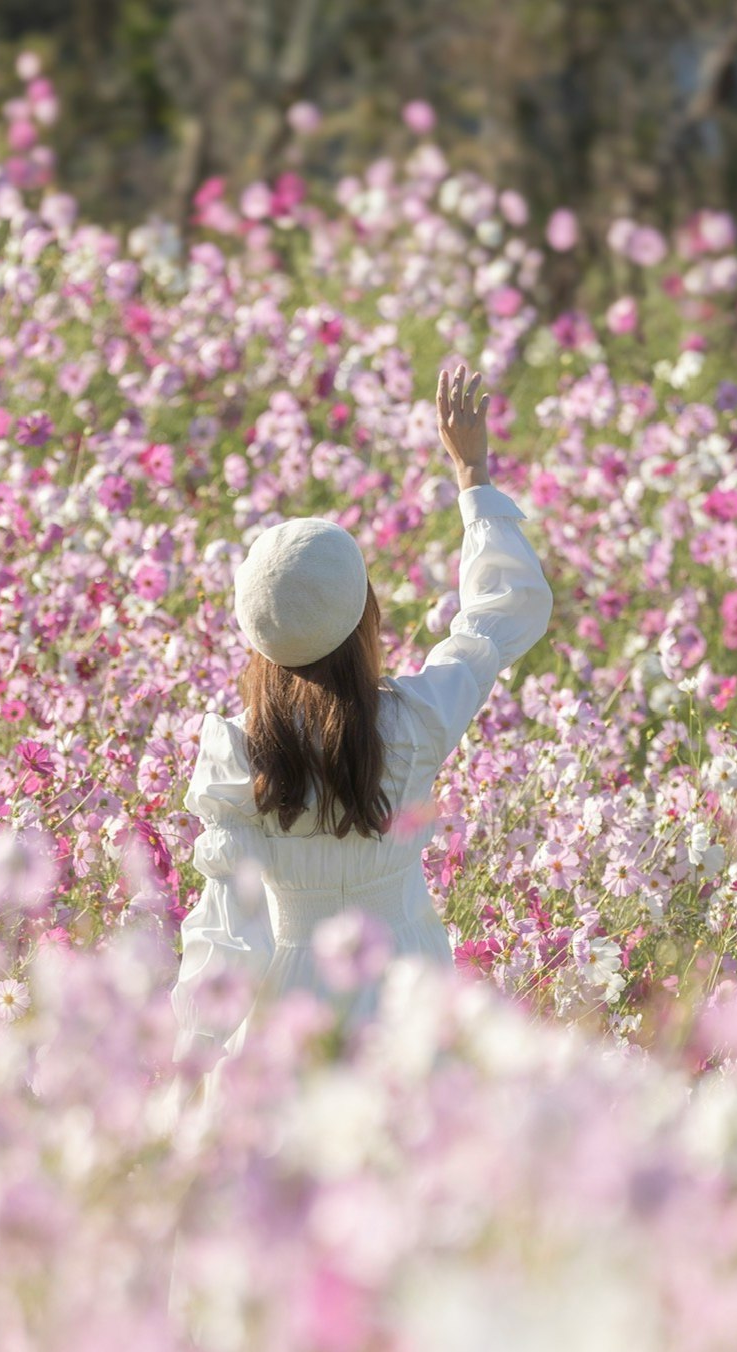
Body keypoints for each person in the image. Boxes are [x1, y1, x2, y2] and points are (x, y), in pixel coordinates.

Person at [170, 363, 553, 1070]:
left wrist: (191, 1061)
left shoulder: (240, 754)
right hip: (410, 995)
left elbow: (226, 935)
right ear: (364, 618)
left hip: (293, 1012)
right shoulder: (414, 724)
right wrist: (472, 476)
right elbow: (500, 611)